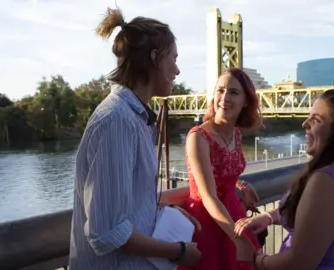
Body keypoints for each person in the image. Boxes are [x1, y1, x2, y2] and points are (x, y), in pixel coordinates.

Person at [69, 7, 201, 269]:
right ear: (155, 58)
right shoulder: (116, 121)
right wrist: (177, 250)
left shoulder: (134, 118)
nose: (177, 70)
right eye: (173, 59)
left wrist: (159, 211)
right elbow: (107, 231)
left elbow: (122, 204)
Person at [234, 89, 334, 270]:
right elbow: (318, 220)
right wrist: (269, 217)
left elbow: (299, 262)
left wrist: (259, 260)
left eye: (316, 120)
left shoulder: (328, 181)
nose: (305, 124)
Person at [177, 68, 262, 270]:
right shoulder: (198, 137)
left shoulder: (236, 135)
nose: (224, 98)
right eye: (220, 90)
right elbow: (208, 196)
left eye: (233, 92)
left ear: (246, 101)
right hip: (208, 221)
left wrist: (240, 185)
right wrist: (238, 239)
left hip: (233, 211)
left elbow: (224, 174)